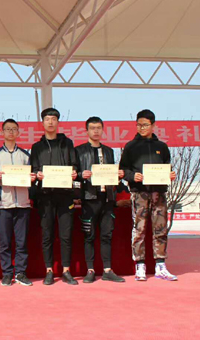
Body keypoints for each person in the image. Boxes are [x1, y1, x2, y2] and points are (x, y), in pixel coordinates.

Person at [119, 109, 178, 281]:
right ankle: (140, 265)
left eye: (145, 125)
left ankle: (161, 265)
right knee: (139, 229)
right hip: (140, 193)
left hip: (159, 193)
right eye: (139, 125)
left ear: (153, 125)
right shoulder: (130, 146)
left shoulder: (162, 147)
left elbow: (167, 167)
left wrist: (170, 175)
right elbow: (123, 170)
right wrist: (132, 176)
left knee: (160, 228)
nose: (142, 128)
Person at [30, 108, 79, 285]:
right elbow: (33, 170)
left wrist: (74, 173)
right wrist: (37, 174)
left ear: (58, 122)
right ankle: (49, 270)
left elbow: (75, 165)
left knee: (66, 235)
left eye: (53, 119)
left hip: (65, 195)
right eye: (47, 119)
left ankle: (66, 270)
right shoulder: (37, 147)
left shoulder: (67, 143)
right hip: (45, 196)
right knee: (47, 234)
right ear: (42, 123)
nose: (50, 122)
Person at [75, 117, 125, 283]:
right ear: (86, 131)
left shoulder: (109, 151)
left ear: (103, 130)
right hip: (89, 198)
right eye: (92, 128)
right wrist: (81, 175)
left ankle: (107, 270)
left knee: (106, 235)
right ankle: (90, 270)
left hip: (107, 198)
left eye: (98, 128)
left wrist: (118, 175)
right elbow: (73, 174)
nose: (96, 131)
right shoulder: (79, 151)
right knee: (88, 235)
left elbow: (112, 172)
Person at [0, 119, 36, 287]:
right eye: (7, 129)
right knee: (5, 242)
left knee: (22, 242)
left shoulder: (25, 155)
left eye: (14, 129)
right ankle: (7, 273)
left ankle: (21, 273)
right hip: (4, 204)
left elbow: (31, 177)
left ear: (18, 133)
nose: (10, 132)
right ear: (2, 132)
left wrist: (32, 178)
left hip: (23, 203)